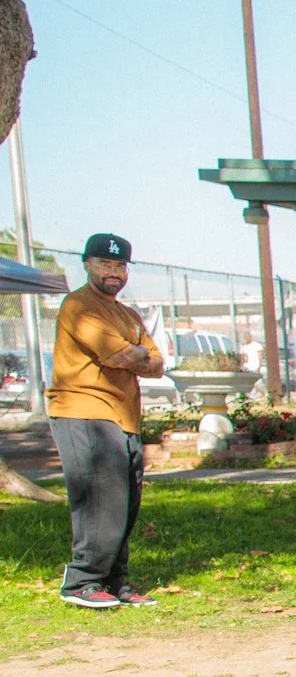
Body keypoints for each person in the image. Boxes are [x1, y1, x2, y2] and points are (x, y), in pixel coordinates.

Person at [47, 232, 161, 609]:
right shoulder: (78, 306)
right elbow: (117, 356)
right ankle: (81, 581)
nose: (113, 272)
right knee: (100, 499)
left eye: (119, 266)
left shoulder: (126, 314)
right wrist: (135, 353)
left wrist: (137, 354)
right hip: (85, 411)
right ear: (87, 264)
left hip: (123, 416)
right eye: (105, 264)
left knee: (126, 501)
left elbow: (157, 363)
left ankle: (114, 582)